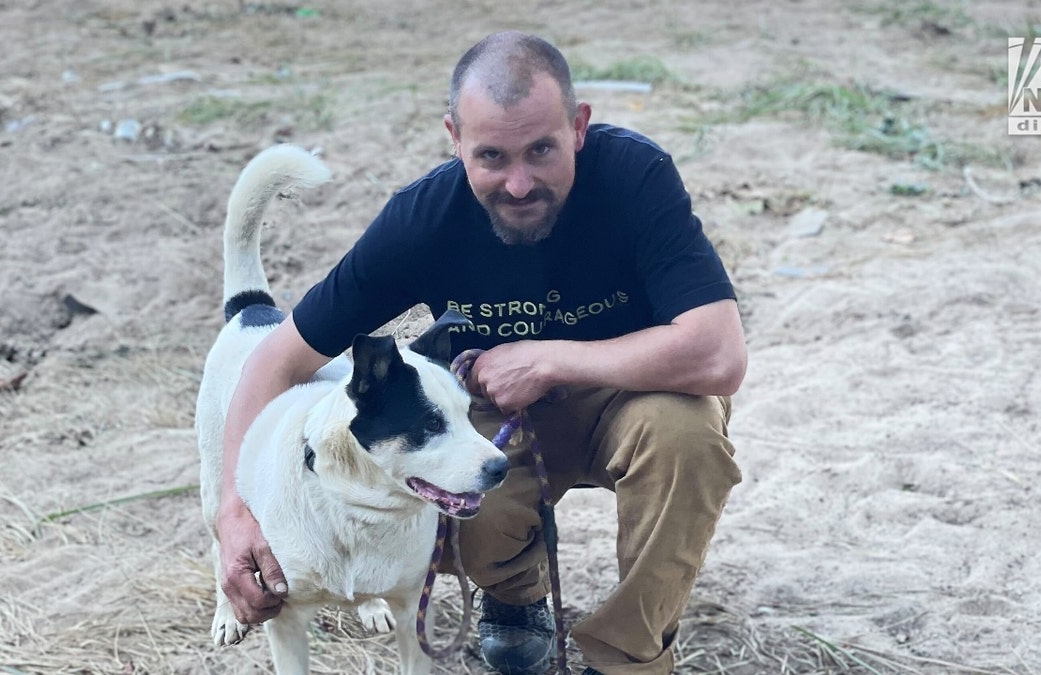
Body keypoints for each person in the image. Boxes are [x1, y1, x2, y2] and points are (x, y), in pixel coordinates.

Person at [216, 30, 747, 675]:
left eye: (542, 150)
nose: (519, 184)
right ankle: (516, 595)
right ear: (454, 138)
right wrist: (235, 514)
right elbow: (276, 361)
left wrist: (551, 359)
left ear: (579, 127)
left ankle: (631, 656)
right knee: (433, 505)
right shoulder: (423, 220)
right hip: (494, 416)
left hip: (631, 397)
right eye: (492, 156)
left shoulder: (635, 177)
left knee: (687, 437)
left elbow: (719, 355)